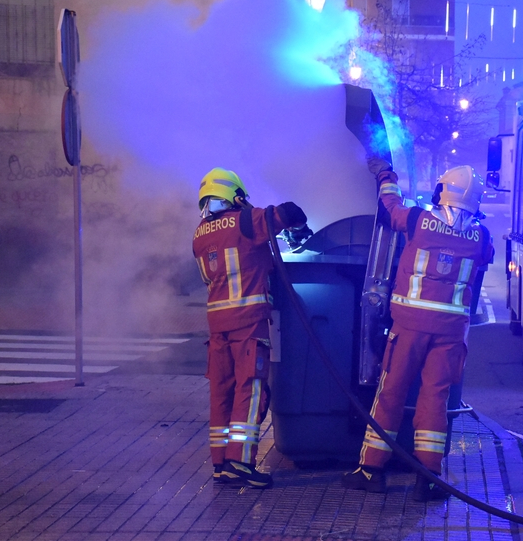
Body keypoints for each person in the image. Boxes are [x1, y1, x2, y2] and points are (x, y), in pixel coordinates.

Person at [342, 160, 494, 502]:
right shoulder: (481, 237)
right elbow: (486, 257)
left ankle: (371, 470)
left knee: (391, 393)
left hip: (410, 325)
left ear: (443, 191)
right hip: (452, 332)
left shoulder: (418, 220)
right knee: (434, 399)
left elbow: (390, 208)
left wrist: (386, 176)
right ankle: (428, 477)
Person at [192, 168, 311, 488]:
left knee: (222, 393)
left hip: (217, 326)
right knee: (251, 390)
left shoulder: (199, 234)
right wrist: (300, 228)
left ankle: (221, 463)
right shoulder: (247, 221)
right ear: (236, 196)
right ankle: (241, 462)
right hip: (248, 324)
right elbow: (290, 212)